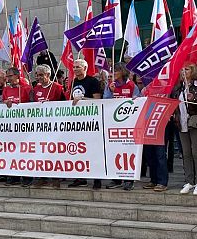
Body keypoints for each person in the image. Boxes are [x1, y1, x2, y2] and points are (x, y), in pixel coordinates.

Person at [172, 65, 197, 195]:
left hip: (196, 122)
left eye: (187, 69)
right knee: (186, 153)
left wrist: (194, 99)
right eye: (182, 69)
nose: (183, 72)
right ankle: (189, 181)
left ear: (193, 71)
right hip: (182, 123)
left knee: (196, 151)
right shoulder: (179, 87)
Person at [67, 59, 103, 188]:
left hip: (91, 122)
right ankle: (80, 177)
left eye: (78, 67)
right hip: (77, 121)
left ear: (85, 68)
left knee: (93, 151)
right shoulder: (73, 82)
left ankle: (97, 179)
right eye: (74, 67)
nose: (75, 69)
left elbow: (97, 100)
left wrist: (82, 99)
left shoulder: (93, 81)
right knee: (78, 150)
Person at [30, 64, 66, 188]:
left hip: (55, 126)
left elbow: (64, 105)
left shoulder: (57, 87)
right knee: (41, 151)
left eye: (41, 75)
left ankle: (56, 177)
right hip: (39, 127)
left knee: (54, 152)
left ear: (48, 75)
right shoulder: (35, 89)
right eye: (37, 75)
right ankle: (42, 177)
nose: (38, 77)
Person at [105, 63, 139, 190]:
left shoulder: (131, 85)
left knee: (129, 152)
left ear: (122, 72)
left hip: (129, 124)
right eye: (113, 71)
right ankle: (116, 179)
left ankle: (129, 179)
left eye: (116, 71)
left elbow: (138, 100)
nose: (113, 73)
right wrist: (111, 92)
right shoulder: (110, 85)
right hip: (114, 124)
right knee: (115, 151)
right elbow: (105, 101)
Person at [2, 67, 34, 186]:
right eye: (7, 76)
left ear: (17, 76)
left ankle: (27, 177)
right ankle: (14, 176)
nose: (8, 78)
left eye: (10, 76)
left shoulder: (26, 88)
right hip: (11, 127)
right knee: (12, 151)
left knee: (25, 152)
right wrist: (5, 103)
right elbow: (2, 103)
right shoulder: (6, 89)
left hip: (25, 126)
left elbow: (33, 104)